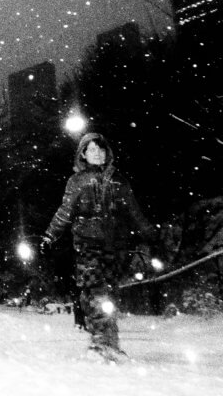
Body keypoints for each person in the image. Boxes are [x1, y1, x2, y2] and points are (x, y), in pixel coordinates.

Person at [42, 132, 157, 363]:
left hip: (115, 248)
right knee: (95, 294)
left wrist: (151, 234)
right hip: (87, 246)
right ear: (83, 154)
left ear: (107, 153)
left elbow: (133, 211)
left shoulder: (119, 181)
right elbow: (65, 212)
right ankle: (98, 343)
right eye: (92, 149)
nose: (97, 153)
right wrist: (49, 236)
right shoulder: (77, 182)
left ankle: (110, 343)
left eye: (101, 149)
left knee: (109, 296)